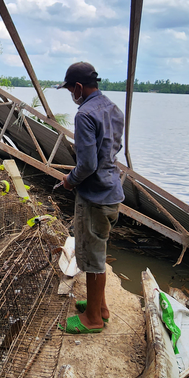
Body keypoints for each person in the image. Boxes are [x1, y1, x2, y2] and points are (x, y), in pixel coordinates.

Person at [56, 62, 124, 334]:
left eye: (71, 89)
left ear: (79, 87)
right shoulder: (112, 108)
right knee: (99, 253)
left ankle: (93, 319)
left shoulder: (84, 114)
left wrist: (69, 181)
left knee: (92, 258)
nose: (71, 94)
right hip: (112, 192)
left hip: (94, 196)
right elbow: (110, 151)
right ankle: (100, 307)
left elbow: (87, 165)